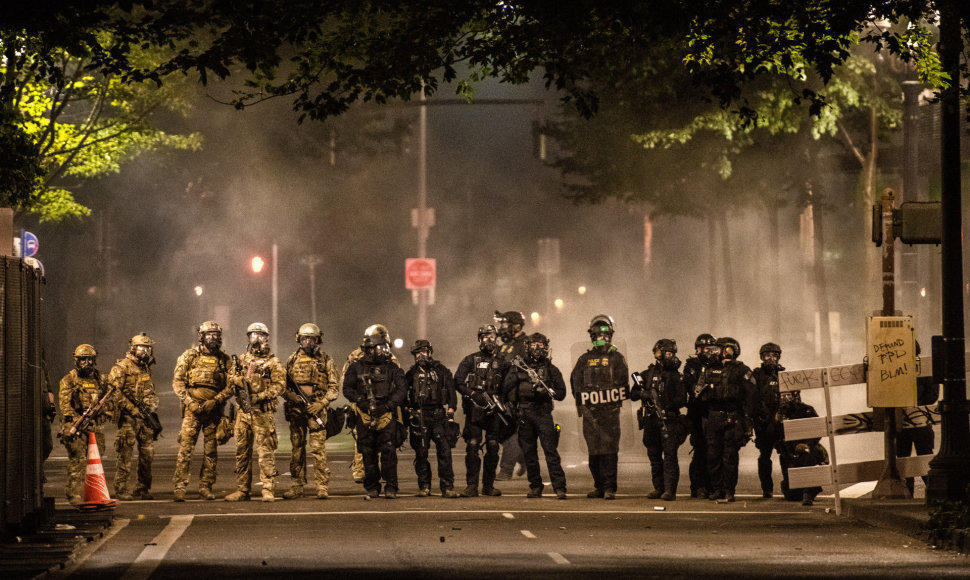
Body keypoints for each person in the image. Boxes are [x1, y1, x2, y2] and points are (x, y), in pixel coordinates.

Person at [172, 321, 235, 502]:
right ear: (201, 337)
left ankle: (205, 486)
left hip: (213, 412)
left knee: (211, 451)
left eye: (216, 335)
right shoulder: (189, 356)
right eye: (209, 334)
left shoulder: (225, 360)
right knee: (185, 449)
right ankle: (180, 487)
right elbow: (178, 382)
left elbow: (231, 386)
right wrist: (190, 402)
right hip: (192, 411)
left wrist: (216, 400)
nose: (213, 338)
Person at [343, 330, 408, 499]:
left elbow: (402, 389)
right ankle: (372, 486)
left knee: (388, 452)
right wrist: (360, 401)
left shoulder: (392, 368)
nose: (385, 351)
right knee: (367, 453)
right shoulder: (356, 367)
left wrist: (388, 405)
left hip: (386, 415)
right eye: (380, 347)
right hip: (364, 416)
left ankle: (391, 486)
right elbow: (347, 388)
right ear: (370, 349)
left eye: (386, 347)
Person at [570, 315, 629, 500]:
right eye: (598, 336)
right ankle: (599, 486)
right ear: (592, 337)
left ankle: (610, 488)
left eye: (606, 336)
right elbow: (575, 384)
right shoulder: (584, 360)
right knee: (594, 453)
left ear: (611, 337)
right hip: (590, 414)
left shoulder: (618, 359)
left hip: (610, 414)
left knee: (610, 452)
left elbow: (623, 383)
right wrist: (585, 403)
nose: (602, 339)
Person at [226, 322, 286, 502]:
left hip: (262, 415)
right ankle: (242, 489)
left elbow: (280, 386)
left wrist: (260, 397)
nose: (256, 339)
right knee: (242, 452)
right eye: (253, 335)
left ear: (266, 338)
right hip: (243, 414)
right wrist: (239, 380)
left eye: (260, 335)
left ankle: (268, 489)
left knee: (265, 454)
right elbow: (230, 381)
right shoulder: (242, 360)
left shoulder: (273, 363)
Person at [504, 332, 568, 499]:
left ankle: (559, 488)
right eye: (533, 346)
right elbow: (506, 387)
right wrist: (522, 377)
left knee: (551, 452)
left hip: (543, 413)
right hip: (524, 413)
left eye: (540, 345)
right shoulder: (519, 368)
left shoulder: (551, 370)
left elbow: (561, 394)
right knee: (529, 453)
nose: (537, 349)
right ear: (527, 347)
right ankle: (535, 487)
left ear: (545, 347)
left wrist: (544, 388)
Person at [281, 323, 340, 500]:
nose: (308, 341)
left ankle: (322, 486)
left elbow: (334, 387)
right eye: (305, 338)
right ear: (299, 339)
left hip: (317, 412)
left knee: (318, 451)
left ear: (318, 340)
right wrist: (291, 397)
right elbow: (282, 385)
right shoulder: (292, 359)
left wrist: (321, 403)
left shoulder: (326, 360)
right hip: (297, 412)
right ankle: (296, 486)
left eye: (311, 338)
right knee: (297, 451)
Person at [454, 324, 514, 497]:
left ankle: (488, 486)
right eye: (486, 337)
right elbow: (457, 381)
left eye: (492, 336)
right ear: (480, 340)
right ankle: (471, 486)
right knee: (472, 446)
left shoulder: (503, 362)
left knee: (493, 446)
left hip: (494, 411)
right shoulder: (470, 360)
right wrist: (472, 394)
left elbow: (509, 386)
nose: (490, 340)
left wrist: (505, 404)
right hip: (475, 409)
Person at [631, 338, 687, 501]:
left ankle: (669, 490)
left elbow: (683, 399)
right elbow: (633, 394)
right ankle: (658, 487)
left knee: (670, 456)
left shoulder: (677, 376)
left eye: (671, 353)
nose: (669, 356)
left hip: (669, 420)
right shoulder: (647, 374)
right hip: (650, 420)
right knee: (654, 456)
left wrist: (665, 404)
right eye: (666, 353)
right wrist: (644, 394)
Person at [702, 337, 757, 502]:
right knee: (712, 455)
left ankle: (728, 491)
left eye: (720, 349)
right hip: (713, 417)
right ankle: (717, 489)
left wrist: (747, 420)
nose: (716, 352)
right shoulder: (709, 370)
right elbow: (699, 394)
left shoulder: (742, 370)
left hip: (733, 417)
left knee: (729, 456)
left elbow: (752, 397)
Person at [405, 340, 459, 497]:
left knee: (445, 452)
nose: (420, 356)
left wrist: (451, 410)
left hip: (438, 416)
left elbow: (452, 393)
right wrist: (408, 410)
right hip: (419, 417)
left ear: (430, 352)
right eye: (417, 353)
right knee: (421, 453)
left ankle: (447, 487)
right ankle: (424, 486)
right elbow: (403, 394)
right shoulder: (411, 374)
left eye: (423, 352)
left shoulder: (442, 371)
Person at [109, 333, 160, 500]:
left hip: (145, 418)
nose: (144, 351)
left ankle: (143, 487)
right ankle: (121, 488)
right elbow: (114, 393)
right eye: (141, 348)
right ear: (133, 348)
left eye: (147, 348)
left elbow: (149, 390)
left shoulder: (145, 367)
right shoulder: (122, 367)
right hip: (128, 419)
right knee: (125, 454)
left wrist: (152, 405)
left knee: (147, 454)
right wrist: (132, 409)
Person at [58, 344, 109, 505]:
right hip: (76, 424)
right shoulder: (69, 380)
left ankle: (94, 490)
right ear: (76, 361)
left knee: (96, 459)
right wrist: (78, 420)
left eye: (89, 359)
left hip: (94, 425)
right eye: (82, 360)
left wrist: (103, 411)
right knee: (77, 460)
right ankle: (73, 493)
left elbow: (109, 401)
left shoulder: (101, 379)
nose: (86, 363)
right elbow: (65, 406)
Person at [897, 341, 939, 497]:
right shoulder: (926, 369)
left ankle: (912, 492)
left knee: (908, 457)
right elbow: (932, 394)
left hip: (913, 420)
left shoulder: (922, 369)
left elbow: (932, 394)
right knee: (916, 456)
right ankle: (926, 492)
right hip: (920, 421)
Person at [776, 390, 827, 506]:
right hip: (789, 454)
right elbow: (773, 436)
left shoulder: (807, 410)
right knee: (792, 495)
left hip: (806, 450)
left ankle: (808, 492)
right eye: (782, 396)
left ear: (795, 395)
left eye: (788, 395)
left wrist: (807, 445)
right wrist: (777, 422)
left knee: (809, 457)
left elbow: (818, 430)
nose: (785, 398)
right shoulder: (779, 413)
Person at [495, 310, 527, 480]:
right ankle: (523, 458)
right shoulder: (506, 344)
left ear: (516, 326)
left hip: (517, 397)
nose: (502, 327)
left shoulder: (525, 345)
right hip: (503, 396)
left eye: (505, 324)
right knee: (501, 433)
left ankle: (506, 470)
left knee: (512, 434)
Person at [684, 333, 716, 498]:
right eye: (702, 348)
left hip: (714, 413)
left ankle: (713, 486)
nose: (706, 352)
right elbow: (691, 388)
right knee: (699, 451)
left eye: (709, 348)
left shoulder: (719, 365)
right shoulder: (692, 365)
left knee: (715, 451)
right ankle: (698, 486)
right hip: (697, 413)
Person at [752, 342, 785, 499]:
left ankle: (790, 487)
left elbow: (795, 398)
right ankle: (767, 489)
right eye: (767, 356)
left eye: (774, 356)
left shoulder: (785, 375)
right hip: (763, 422)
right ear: (762, 357)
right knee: (765, 456)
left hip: (781, 421)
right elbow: (751, 398)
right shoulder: (756, 375)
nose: (770, 359)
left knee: (786, 455)